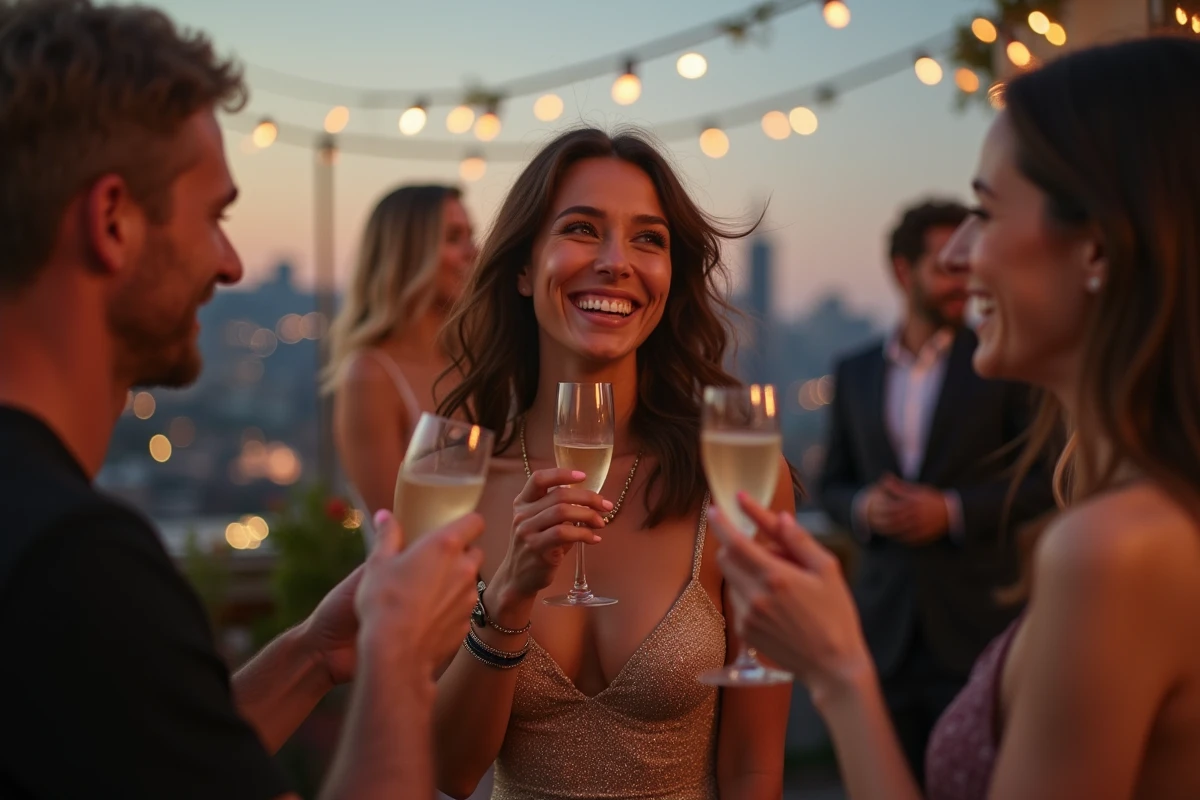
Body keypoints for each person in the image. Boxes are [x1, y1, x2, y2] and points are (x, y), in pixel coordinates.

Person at [0, 1, 483, 797]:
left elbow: (151, 762)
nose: (230, 265)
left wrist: (310, 654)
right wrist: (396, 656)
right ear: (112, 220)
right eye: (214, 216)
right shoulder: (71, 568)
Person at [712, 35, 1200, 800]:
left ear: (1099, 247)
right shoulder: (1146, 511)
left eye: (987, 210)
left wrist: (838, 672)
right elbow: (838, 477)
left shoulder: (1111, 551)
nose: (964, 255)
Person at [431, 127, 796, 800]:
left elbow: (753, 766)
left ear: (669, 276)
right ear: (520, 264)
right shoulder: (455, 477)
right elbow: (450, 771)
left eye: (648, 239)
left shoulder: (734, 479)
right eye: (580, 228)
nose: (616, 261)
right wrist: (507, 596)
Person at [817, 199, 1055, 781]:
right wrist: (863, 508)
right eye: (950, 268)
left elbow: (1046, 481)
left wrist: (948, 512)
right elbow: (829, 486)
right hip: (881, 629)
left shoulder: (1003, 361)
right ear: (904, 271)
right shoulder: (854, 371)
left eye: (969, 267)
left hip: (976, 626)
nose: (966, 283)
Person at [327, 184, 478, 514]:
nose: (473, 251)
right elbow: (396, 524)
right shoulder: (370, 375)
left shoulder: (470, 362)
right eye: (454, 238)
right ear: (407, 256)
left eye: (471, 235)